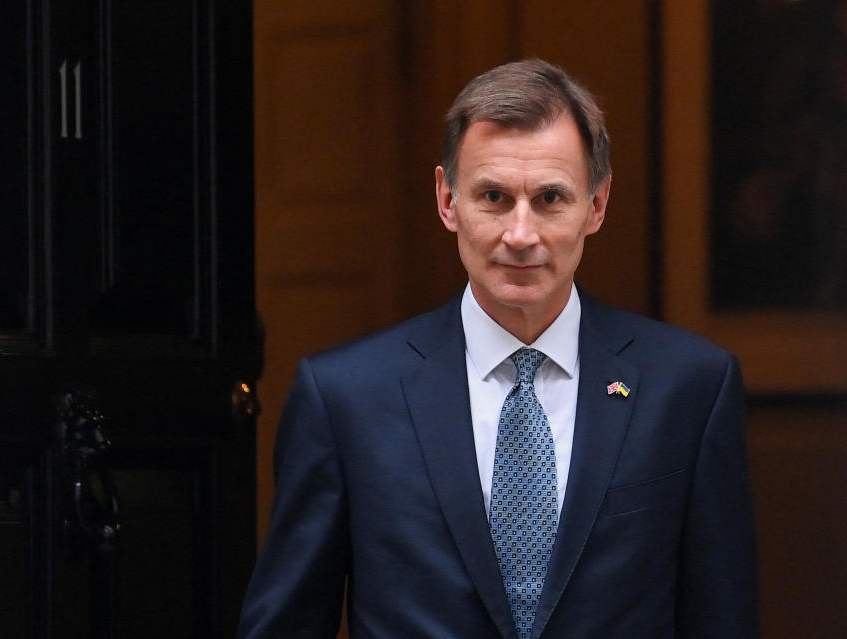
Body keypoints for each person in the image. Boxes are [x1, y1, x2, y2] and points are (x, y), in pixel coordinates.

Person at [238, 58, 759, 638]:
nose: (520, 234)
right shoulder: (345, 398)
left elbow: (723, 618)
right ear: (446, 199)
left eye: (550, 198)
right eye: (492, 196)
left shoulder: (689, 388)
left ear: (598, 204)